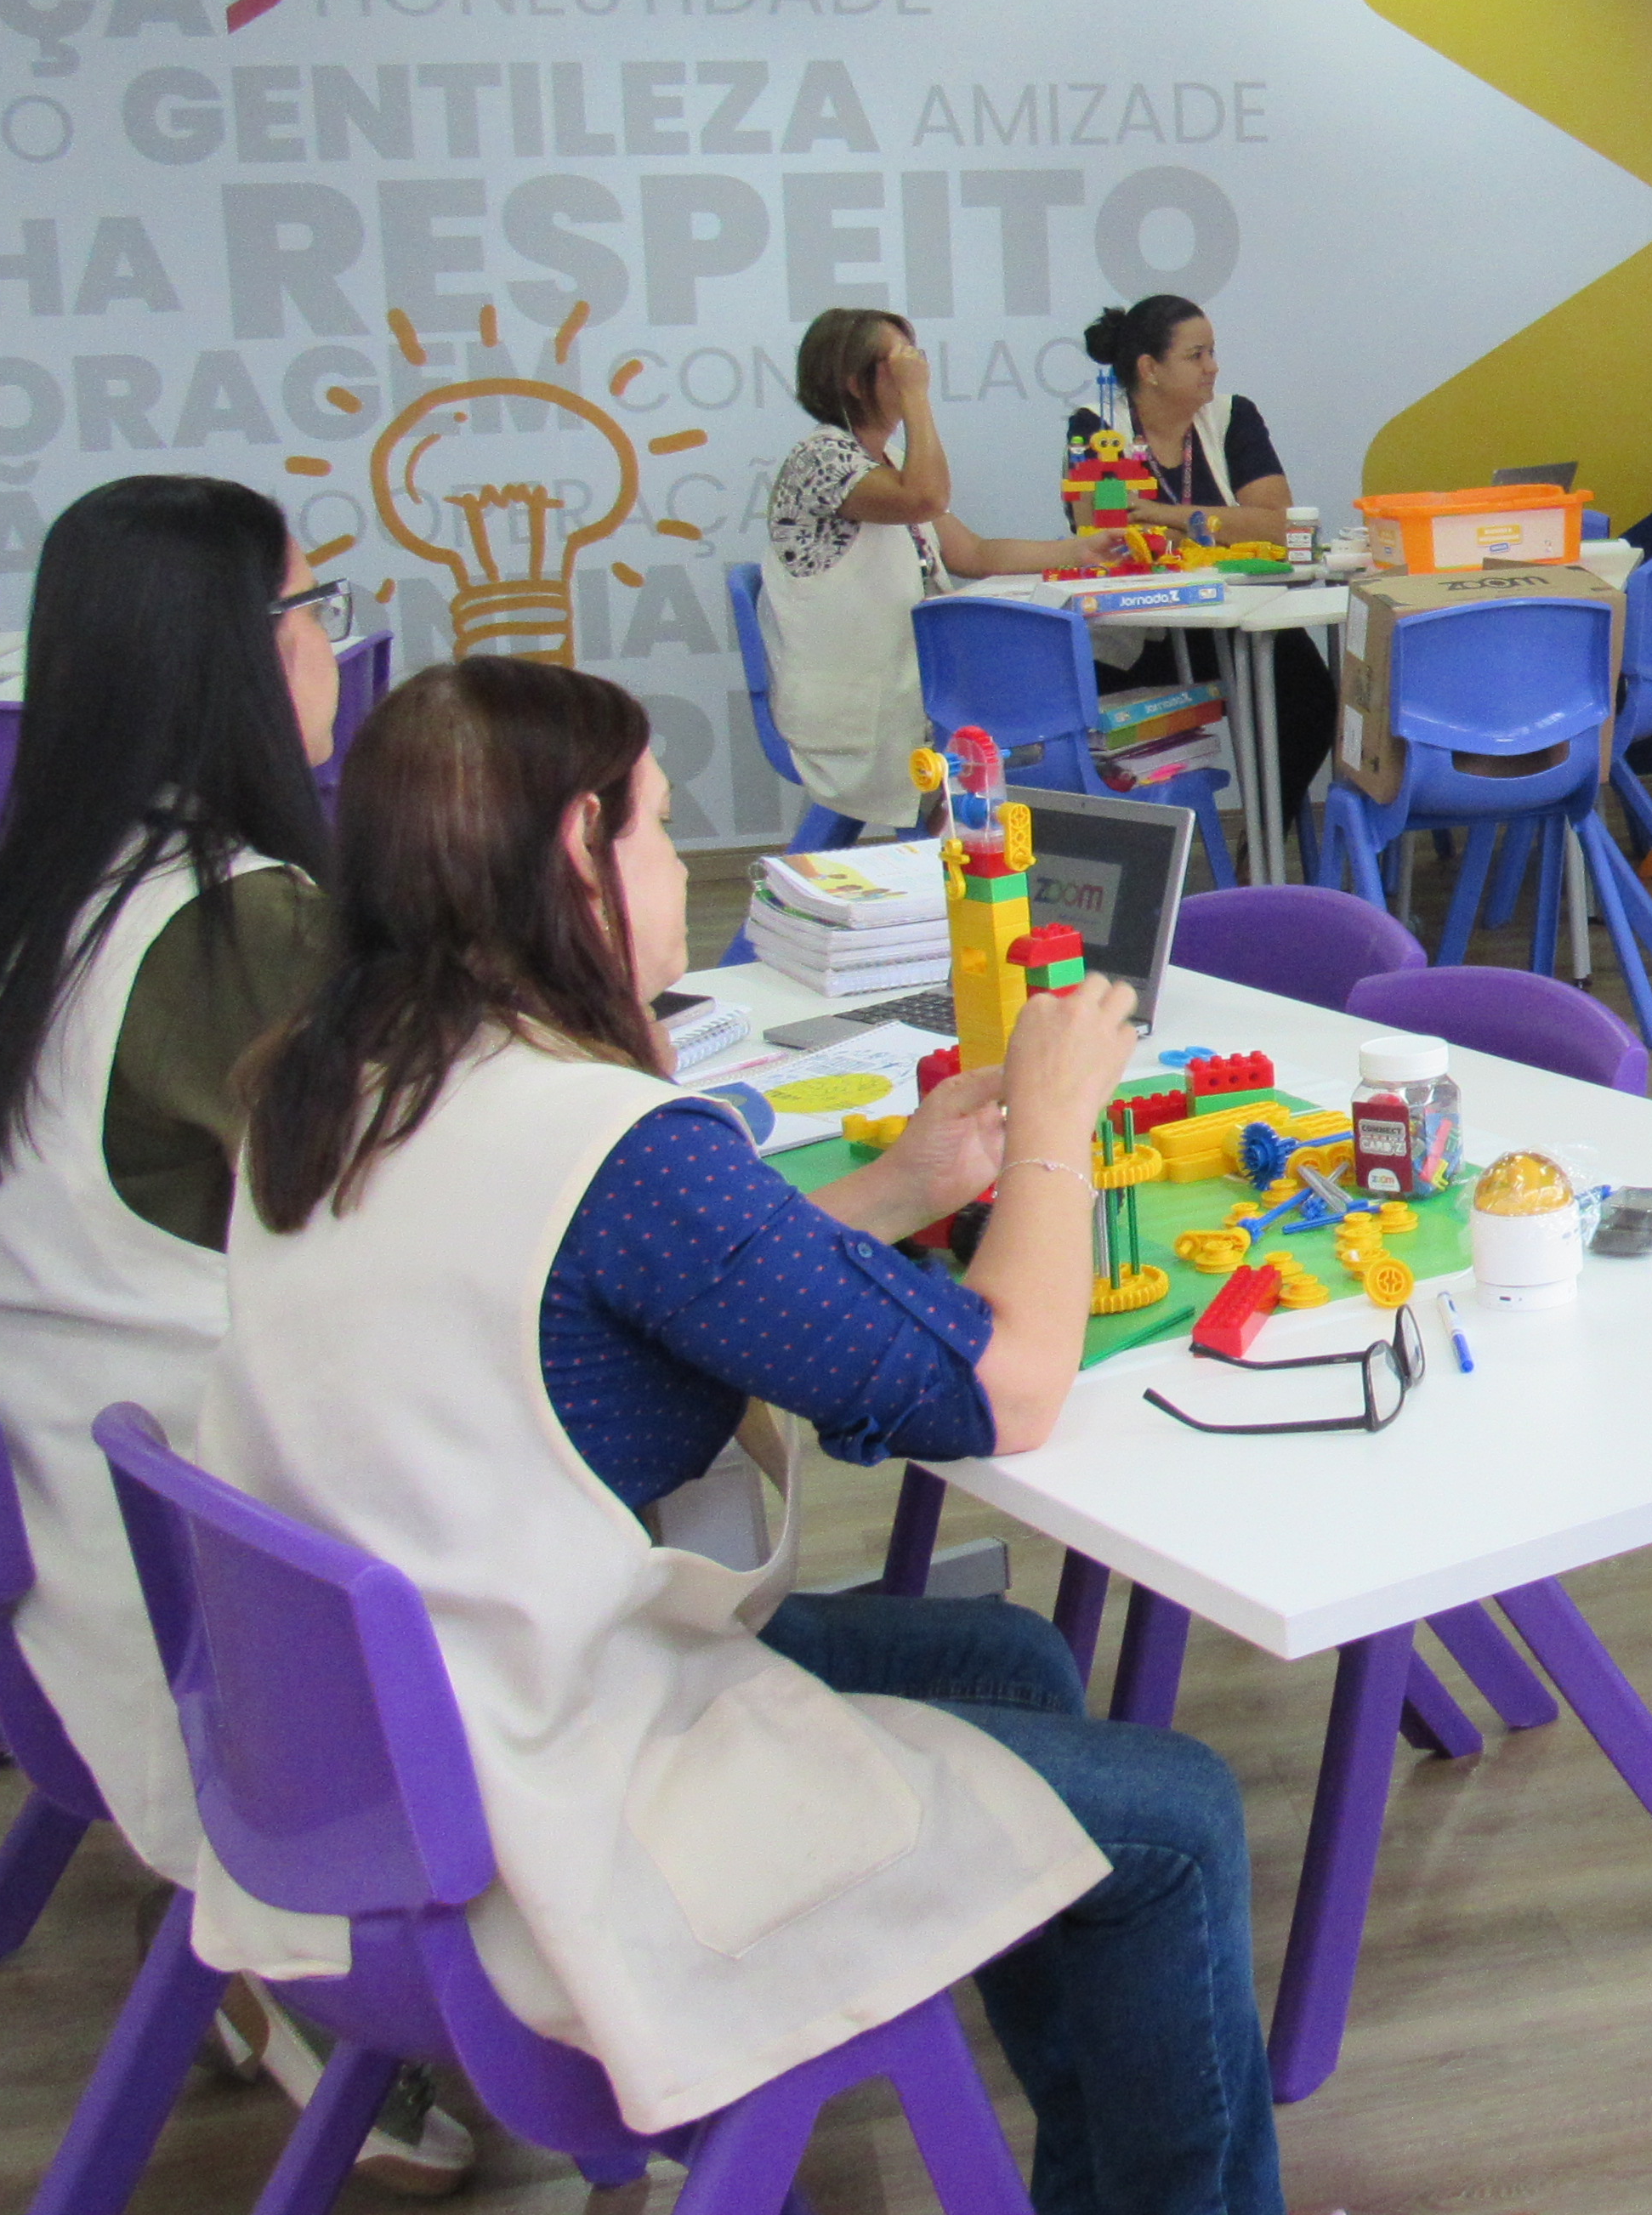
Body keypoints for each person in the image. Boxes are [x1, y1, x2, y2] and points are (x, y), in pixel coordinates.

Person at [203, 659, 1283, 2215]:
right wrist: (1055, 1128)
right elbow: (1009, 1388)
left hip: (385, 1765)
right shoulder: (615, 1146)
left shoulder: (339, 1087)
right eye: (653, 826)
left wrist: (899, 1190)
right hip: (551, 1819)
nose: (675, 866)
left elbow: (597, 1291)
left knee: (1008, 1664)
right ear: (577, 852)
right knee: (1177, 1821)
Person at [0, 476, 475, 2192]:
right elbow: (430, 1207)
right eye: (314, 610)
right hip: (221, 1603)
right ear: (235, 657)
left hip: (43, 1555)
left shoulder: (24, 900)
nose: (333, 648)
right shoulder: (238, 920)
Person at [758, 309, 1072, 832]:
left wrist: (1080, 552)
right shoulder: (821, 460)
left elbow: (972, 554)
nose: (918, 370)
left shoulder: (890, 458)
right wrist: (918, 400)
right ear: (855, 381)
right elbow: (925, 498)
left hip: (909, 687)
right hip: (859, 706)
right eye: (903, 362)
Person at [1071, 295, 1331, 828]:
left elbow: (1278, 524)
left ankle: (1262, 845)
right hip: (1142, 630)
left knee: (1310, 698)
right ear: (1150, 369)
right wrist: (1220, 523)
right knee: (1086, 710)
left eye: (1212, 352)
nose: (1213, 367)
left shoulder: (1233, 417)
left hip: (1237, 617)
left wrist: (1168, 515)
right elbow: (1107, 533)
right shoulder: (1097, 426)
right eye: (1196, 355)